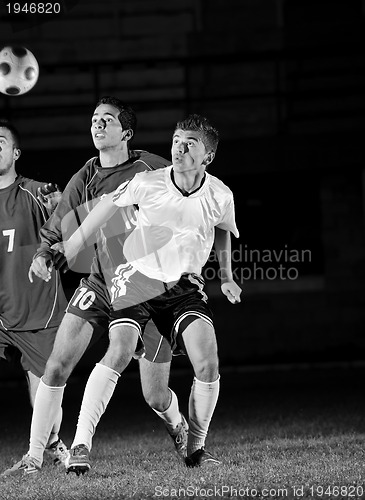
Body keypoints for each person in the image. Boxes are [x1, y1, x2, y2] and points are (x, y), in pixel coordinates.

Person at [1, 97, 188, 477]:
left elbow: (187, 204)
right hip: (101, 282)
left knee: (154, 394)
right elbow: (59, 221)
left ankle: (178, 424)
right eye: (94, 119)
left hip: (147, 288)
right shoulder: (86, 175)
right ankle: (39, 458)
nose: (97, 124)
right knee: (56, 366)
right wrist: (42, 254)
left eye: (107, 119)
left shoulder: (150, 167)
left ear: (127, 132)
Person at [58, 114, 242, 468]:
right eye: (176, 139)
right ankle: (81, 446)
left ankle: (196, 450)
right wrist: (73, 243)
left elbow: (221, 228)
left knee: (203, 365)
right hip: (138, 280)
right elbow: (106, 206)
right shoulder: (149, 182)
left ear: (207, 157)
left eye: (190, 143)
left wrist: (227, 276)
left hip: (184, 288)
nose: (179, 148)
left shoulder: (220, 194)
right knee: (121, 350)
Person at [0, 119, 69, 472]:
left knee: (42, 385)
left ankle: (52, 445)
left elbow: (69, 225)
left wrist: (59, 207)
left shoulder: (35, 192)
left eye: (0, 141)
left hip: (35, 309)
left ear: (15, 152)